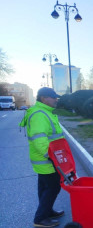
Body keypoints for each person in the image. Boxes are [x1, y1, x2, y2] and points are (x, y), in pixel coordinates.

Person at [19, 87, 65, 227]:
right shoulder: (40, 114)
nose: (56, 99)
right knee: (53, 188)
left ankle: (47, 211)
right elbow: (40, 139)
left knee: (45, 188)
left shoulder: (44, 112)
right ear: (44, 98)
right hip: (47, 159)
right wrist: (52, 156)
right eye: (53, 97)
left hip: (46, 159)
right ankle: (40, 218)